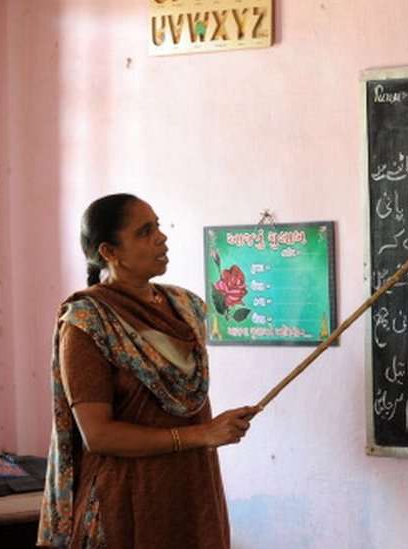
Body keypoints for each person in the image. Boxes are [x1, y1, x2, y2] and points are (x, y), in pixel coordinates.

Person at [37, 193, 259, 548]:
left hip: (191, 490)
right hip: (126, 499)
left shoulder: (185, 307)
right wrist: (203, 435)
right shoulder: (87, 322)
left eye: (157, 226)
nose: (161, 237)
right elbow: (99, 435)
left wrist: (210, 432)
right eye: (145, 231)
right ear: (109, 251)